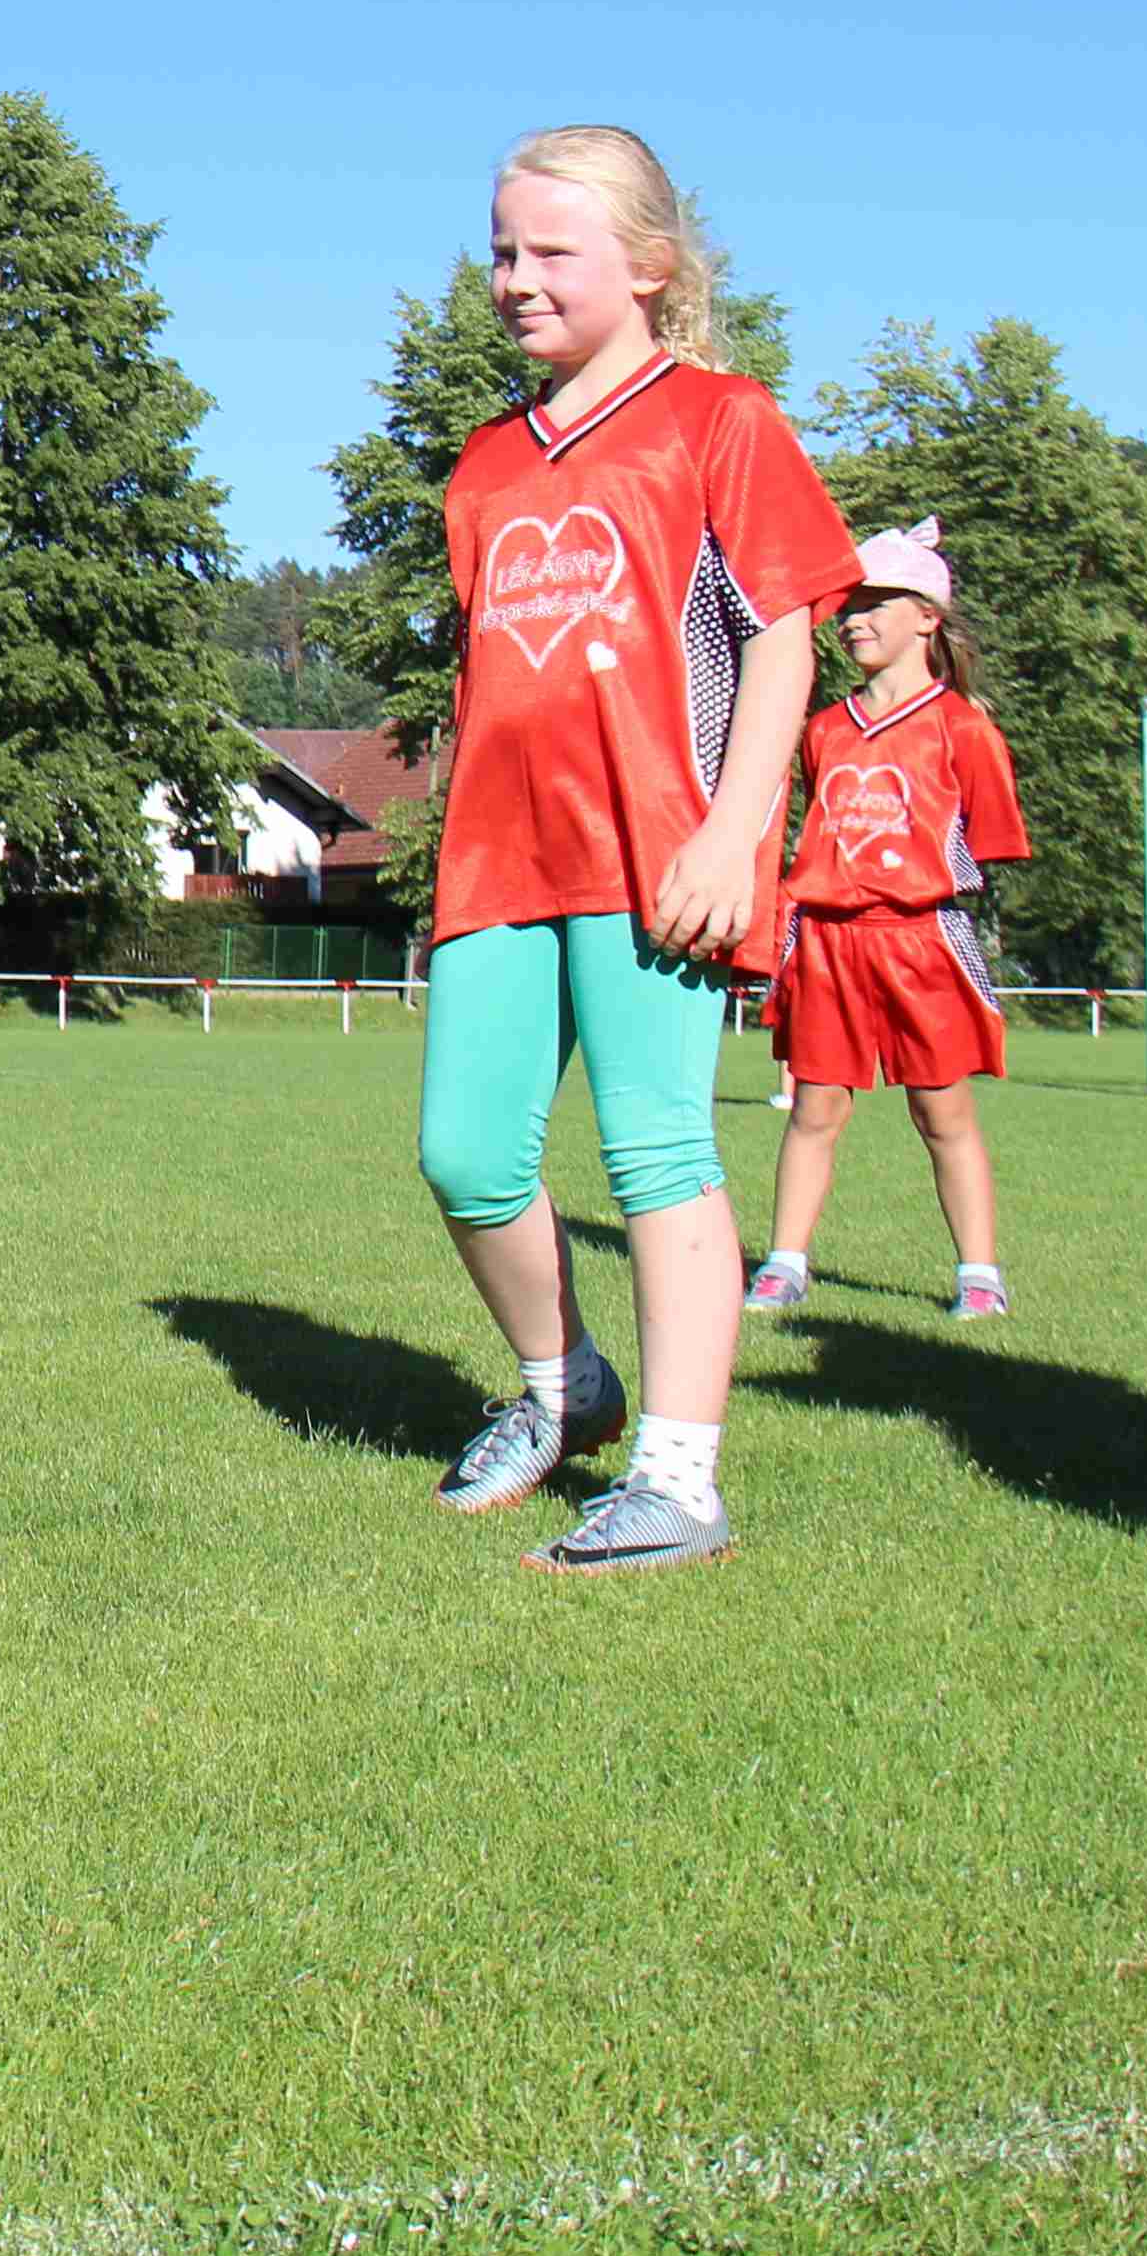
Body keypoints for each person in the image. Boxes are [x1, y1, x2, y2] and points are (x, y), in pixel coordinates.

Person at [416, 126, 862, 1572]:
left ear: (652, 267)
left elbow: (782, 637)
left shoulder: (720, 418)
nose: (516, 278)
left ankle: (678, 1480)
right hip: (498, 858)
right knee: (464, 1156)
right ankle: (566, 1390)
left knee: (657, 1147)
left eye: (553, 251)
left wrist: (738, 834)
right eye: (502, 251)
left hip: (661, 855)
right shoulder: (485, 461)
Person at [745, 520, 1029, 1319]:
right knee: (815, 1108)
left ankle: (979, 1276)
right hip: (827, 941)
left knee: (942, 1111)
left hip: (921, 941)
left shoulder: (964, 727)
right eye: (847, 607)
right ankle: (785, 1263)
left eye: (875, 604)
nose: (854, 620)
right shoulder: (823, 729)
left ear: (927, 617)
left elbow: (988, 844)